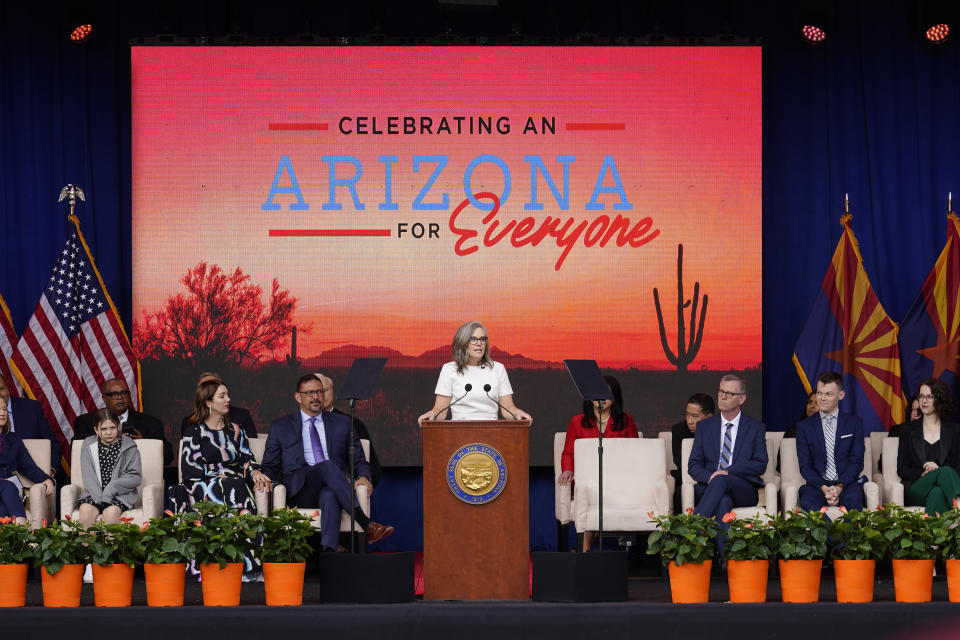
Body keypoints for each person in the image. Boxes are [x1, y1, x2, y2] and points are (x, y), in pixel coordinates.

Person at [261, 374, 394, 552]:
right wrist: (265, 482)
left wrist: (363, 476)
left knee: (330, 494)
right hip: (299, 491)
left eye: (320, 392)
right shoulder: (281, 426)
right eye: (310, 393)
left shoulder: (342, 423)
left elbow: (359, 459)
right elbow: (270, 464)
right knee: (326, 465)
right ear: (298, 397)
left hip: (332, 488)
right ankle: (365, 523)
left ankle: (328, 554)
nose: (316, 397)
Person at [169, 380, 270, 577]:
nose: (228, 400)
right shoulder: (194, 432)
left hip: (232, 480)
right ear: (208, 402)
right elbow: (190, 469)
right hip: (200, 483)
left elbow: (246, 459)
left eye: (227, 395)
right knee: (187, 489)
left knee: (236, 484)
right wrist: (217, 475)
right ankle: (204, 565)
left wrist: (255, 472)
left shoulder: (235, 430)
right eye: (222, 396)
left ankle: (245, 565)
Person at [557, 374, 638, 551]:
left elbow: (635, 452)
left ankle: (582, 554)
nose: (601, 398)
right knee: (590, 497)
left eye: (607, 393)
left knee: (592, 508)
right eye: (597, 393)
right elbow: (568, 453)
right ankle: (583, 555)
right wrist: (568, 470)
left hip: (618, 481)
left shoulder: (626, 420)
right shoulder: (577, 421)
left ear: (615, 397)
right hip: (587, 481)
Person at [688, 374, 768, 526]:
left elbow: (760, 464)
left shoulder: (755, 428)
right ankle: (725, 550)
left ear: (741, 399)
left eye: (729, 393)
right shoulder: (705, 427)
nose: (722, 397)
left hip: (742, 489)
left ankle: (691, 529)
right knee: (723, 501)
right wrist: (713, 477)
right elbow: (693, 465)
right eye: (720, 391)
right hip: (708, 487)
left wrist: (727, 472)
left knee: (721, 480)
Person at [418, 321, 532, 424]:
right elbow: (440, 411)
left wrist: (517, 412)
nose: (479, 343)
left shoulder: (498, 369)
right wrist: (433, 414)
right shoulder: (449, 369)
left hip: (492, 431)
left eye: (483, 339)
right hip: (458, 431)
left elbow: (508, 408)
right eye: (473, 339)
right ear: (462, 343)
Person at [796, 371, 865, 512]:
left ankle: (841, 534)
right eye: (820, 393)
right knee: (807, 501)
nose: (822, 398)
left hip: (846, 484)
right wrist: (823, 487)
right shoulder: (804, 427)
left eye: (829, 394)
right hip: (817, 485)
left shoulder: (854, 423)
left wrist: (839, 487)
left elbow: (856, 462)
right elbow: (805, 466)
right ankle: (832, 535)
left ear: (841, 395)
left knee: (854, 500)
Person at [72, 378, 172, 468]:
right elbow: (76, 453)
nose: (120, 397)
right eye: (114, 394)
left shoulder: (151, 423)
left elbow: (168, 457)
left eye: (124, 393)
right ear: (104, 398)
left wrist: (144, 444)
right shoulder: (86, 422)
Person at [898, 378, 960, 516]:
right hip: (917, 488)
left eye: (929, 396)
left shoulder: (955, 430)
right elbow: (901, 468)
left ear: (940, 399)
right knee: (944, 472)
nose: (923, 401)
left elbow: (958, 466)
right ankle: (959, 505)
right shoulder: (907, 430)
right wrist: (925, 473)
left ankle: (932, 536)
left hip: (942, 488)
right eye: (921, 396)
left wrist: (938, 470)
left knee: (937, 492)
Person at [313, 372, 382, 487]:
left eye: (324, 390)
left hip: (342, 487)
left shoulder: (352, 423)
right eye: (315, 392)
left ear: (333, 391)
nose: (321, 396)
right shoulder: (296, 425)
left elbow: (371, 469)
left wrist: (362, 483)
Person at [77, 409, 142, 526]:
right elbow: (88, 475)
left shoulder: (129, 445)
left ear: (118, 426)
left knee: (111, 513)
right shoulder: (88, 444)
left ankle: (110, 544)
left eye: (112, 428)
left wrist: (110, 489)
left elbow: (135, 477)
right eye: (104, 429)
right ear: (96, 430)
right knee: (85, 512)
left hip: (120, 495)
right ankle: (87, 545)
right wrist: (100, 499)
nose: (108, 433)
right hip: (94, 493)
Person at [0, 402, 54, 523]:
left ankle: (20, 534)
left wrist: (45, 479)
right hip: (7, 486)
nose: (2, 413)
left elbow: (28, 466)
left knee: (3, 511)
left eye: (4, 409)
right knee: (8, 486)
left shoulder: (13, 439)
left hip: (6, 492)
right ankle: (23, 533)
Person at [0, 378, 61, 478]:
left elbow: (53, 443)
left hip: (35, 477)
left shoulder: (31, 408)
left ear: (7, 388)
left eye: (1, 389)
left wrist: (50, 471)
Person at [669, 393, 714, 513]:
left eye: (694, 416)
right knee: (680, 492)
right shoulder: (679, 430)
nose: (689, 421)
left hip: (712, 477)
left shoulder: (719, 430)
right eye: (687, 415)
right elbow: (680, 462)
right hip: (686, 476)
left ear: (709, 417)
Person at [179, 372, 257, 439]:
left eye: (215, 385)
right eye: (206, 388)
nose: (228, 399)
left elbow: (253, 445)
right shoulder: (189, 423)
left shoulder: (242, 416)